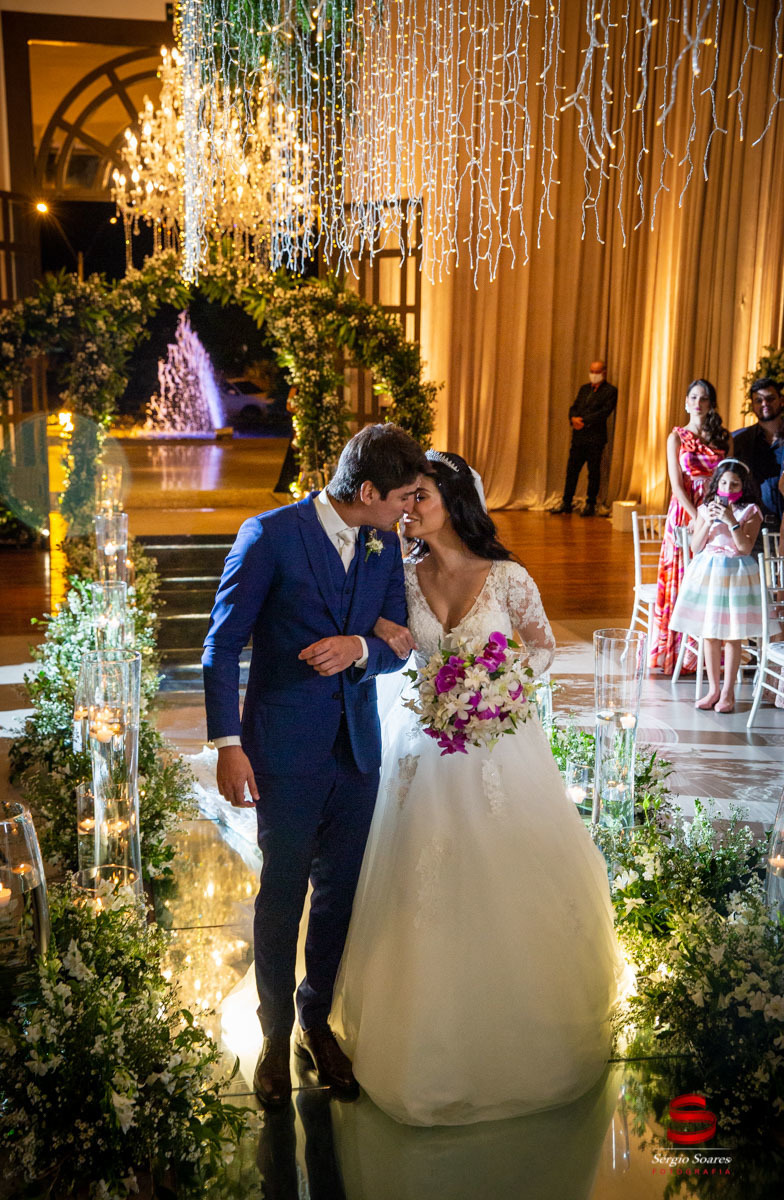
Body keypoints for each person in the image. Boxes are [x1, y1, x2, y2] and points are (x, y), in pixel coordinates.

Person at [331, 450, 626, 1127]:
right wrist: (382, 633)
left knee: (506, 872)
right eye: (405, 496)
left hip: (498, 747)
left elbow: (543, 647)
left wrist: (498, 686)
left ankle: (521, 1032)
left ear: (454, 501)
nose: (407, 507)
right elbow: (383, 637)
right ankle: (421, 1040)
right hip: (422, 749)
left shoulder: (508, 576)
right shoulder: (398, 574)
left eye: (420, 495)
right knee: (420, 880)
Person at [202, 423, 427, 1108]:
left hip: (357, 749)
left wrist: (360, 646)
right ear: (369, 490)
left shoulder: (384, 544)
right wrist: (229, 745)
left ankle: (314, 1018)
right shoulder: (269, 536)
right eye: (404, 497)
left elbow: (398, 644)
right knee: (282, 894)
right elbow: (221, 646)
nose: (410, 510)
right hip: (283, 750)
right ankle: (273, 1035)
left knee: (339, 894)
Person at [670, 460, 765, 713]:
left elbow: (744, 547)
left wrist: (731, 520)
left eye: (734, 484)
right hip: (709, 574)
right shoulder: (706, 508)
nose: (728, 488)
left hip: (736, 575)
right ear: (717, 484)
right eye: (724, 483)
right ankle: (713, 689)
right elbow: (695, 546)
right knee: (710, 634)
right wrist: (709, 520)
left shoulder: (751, 510)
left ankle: (727, 692)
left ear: (743, 486)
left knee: (733, 635)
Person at [650, 379, 730, 674]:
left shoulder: (722, 437)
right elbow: (677, 485)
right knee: (684, 579)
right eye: (693, 397)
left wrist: (718, 514)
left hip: (716, 509)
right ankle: (680, 655)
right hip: (686, 512)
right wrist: (697, 517)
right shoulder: (676, 437)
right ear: (686, 402)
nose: (698, 403)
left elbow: (729, 478)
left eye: (704, 398)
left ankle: (709, 656)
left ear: (711, 403)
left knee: (713, 581)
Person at [551, 360, 618, 516]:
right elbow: (574, 407)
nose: (593, 375)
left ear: (604, 373)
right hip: (579, 438)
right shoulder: (584, 389)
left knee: (593, 472)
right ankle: (566, 502)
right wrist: (573, 418)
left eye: (597, 372)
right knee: (571, 471)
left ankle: (590, 504)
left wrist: (584, 421)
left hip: (595, 438)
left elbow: (604, 412)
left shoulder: (610, 391)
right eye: (591, 371)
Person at [732, 377, 784, 534]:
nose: (764, 404)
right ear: (752, 405)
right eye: (758, 400)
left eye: (770, 398)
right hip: (753, 529)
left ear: (781, 401)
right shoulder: (738, 440)